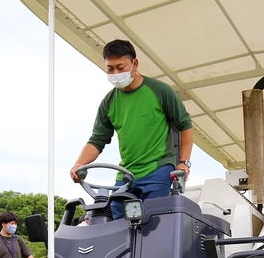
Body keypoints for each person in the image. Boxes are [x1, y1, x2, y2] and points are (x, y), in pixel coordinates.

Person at [70, 40, 194, 221]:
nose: (115, 74)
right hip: (126, 175)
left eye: (120, 67)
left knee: (152, 224)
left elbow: (185, 126)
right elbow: (98, 139)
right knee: (115, 225)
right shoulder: (109, 102)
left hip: (158, 170)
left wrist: (184, 162)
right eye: (110, 69)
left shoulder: (159, 91)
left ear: (134, 64)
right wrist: (79, 164)